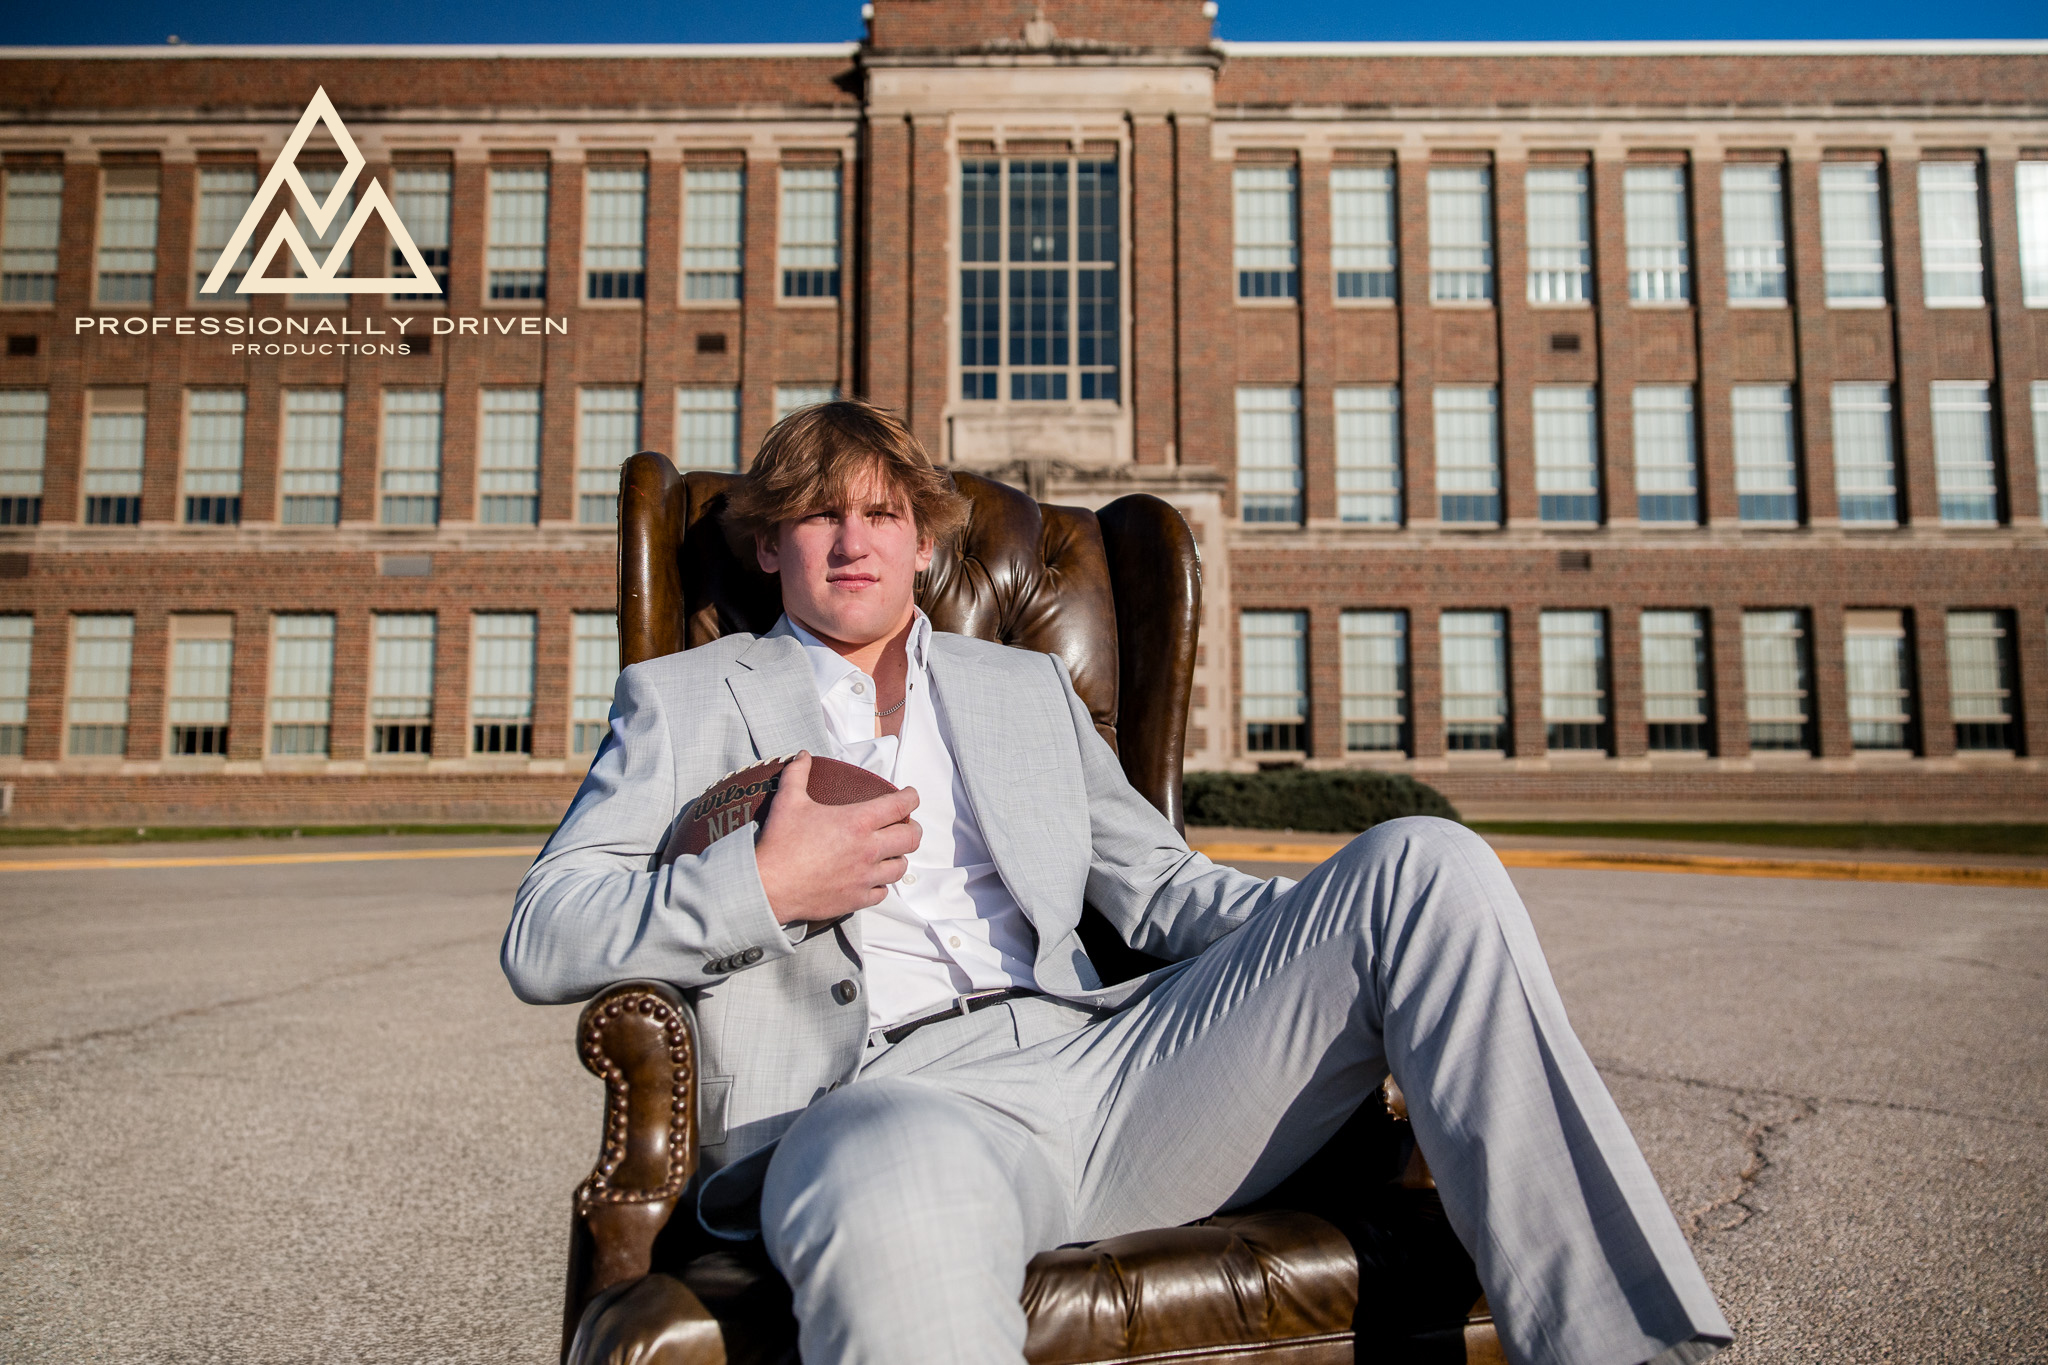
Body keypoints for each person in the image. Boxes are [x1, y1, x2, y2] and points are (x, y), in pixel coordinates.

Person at [502, 400, 1731, 1365]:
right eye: (819, 516)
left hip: (1119, 1067)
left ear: (921, 542)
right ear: (769, 545)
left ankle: (1621, 1351)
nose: (852, 538)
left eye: (881, 515)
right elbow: (544, 933)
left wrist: (1361, 941)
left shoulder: (1020, 691)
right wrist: (761, 884)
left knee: (1423, 862)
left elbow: (1163, 889)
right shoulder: (682, 700)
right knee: (891, 1181)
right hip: (886, 1099)